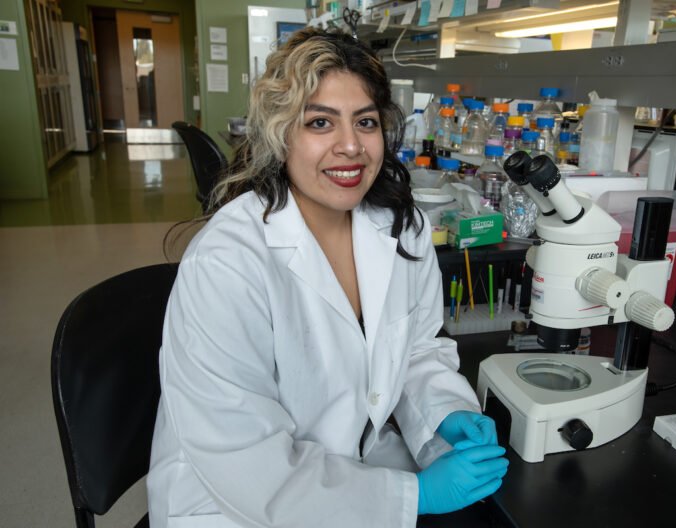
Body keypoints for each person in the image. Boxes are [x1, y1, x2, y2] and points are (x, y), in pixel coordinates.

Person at [147, 27, 508, 527]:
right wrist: (411, 498)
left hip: (355, 461)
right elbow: (242, 457)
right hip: (236, 500)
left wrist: (444, 409)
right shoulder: (228, 262)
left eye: (365, 122)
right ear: (280, 134)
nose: (350, 146)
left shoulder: (401, 227)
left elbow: (417, 347)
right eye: (320, 122)